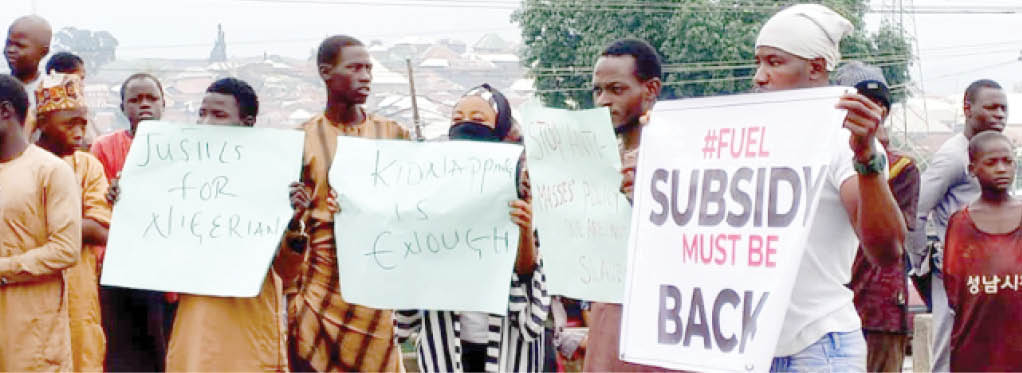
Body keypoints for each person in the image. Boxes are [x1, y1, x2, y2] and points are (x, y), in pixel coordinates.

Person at [752, 4, 907, 372]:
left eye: (774, 62)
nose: (760, 76)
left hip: (817, 349)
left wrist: (866, 159)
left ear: (816, 68)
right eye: (757, 62)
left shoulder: (842, 140)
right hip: (752, 350)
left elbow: (886, 250)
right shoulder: (748, 141)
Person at [395, 84, 551, 373]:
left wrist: (525, 227)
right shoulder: (430, 189)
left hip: (508, 346)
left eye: (479, 120)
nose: (466, 125)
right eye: (457, 119)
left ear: (501, 127)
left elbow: (531, 272)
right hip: (446, 343)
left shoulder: (526, 182)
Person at [163, 77, 307, 372]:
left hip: (250, 327)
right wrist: (127, 200)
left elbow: (287, 272)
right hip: (195, 327)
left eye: (218, 116)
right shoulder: (179, 180)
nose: (204, 123)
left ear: (247, 122)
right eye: (201, 114)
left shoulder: (273, 180)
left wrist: (294, 225)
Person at [290, 34, 410, 372]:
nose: (366, 76)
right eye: (355, 68)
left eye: (369, 69)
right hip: (319, 294)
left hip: (376, 294)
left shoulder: (394, 136)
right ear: (326, 72)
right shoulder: (301, 138)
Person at [910, 79, 1007, 372]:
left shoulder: (994, 153)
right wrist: (925, 264)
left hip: (990, 272)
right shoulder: (954, 156)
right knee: (950, 352)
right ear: (967, 109)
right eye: (991, 107)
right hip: (954, 272)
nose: (999, 115)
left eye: (1004, 109)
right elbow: (915, 211)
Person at [583, 38, 667, 372]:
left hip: (664, 325)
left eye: (616, 89)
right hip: (609, 322)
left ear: (650, 89)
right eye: (597, 90)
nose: (603, 101)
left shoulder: (681, 159)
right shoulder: (592, 164)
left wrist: (648, 199)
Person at [835, 62, 920, 373]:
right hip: (836, 301)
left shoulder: (901, 167)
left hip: (881, 302)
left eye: (876, 104)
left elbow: (890, 240)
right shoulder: (823, 157)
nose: (869, 111)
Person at [90, 72, 174, 372]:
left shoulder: (184, 144)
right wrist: (109, 194)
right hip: (122, 272)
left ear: (164, 103)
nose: (144, 105)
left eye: (151, 98)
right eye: (135, 99)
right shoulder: (104, 147)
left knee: (169, 350)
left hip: (170, 271)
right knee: (126, 354)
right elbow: (94, 201)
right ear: (123, 107)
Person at [0, 74, 82, 371]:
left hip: (32, 335)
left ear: (4, 111)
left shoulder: (50, 170)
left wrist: (4, 269)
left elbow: (65, 249)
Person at [33, 72, 110, 372]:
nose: (80, 133)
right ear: (42, 124)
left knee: (82, 358)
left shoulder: (87, 165)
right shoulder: (18, 165)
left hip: (78, 293)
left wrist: (42, 230)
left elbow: (100, 229)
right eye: (69, 124)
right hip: (28, 292)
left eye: (83, 123)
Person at [943, 131, 1022, 372]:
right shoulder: (961, 223)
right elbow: (954, 289)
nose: (1001, 169)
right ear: (972, 167)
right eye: (991, 162)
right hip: (975, 346)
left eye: (1007, 162)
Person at [5, 15, 52, 139]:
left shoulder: (53, 92)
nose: (10, 50)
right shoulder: (2, 87)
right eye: (8, 44)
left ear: (44, 52)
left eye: (20, 46)